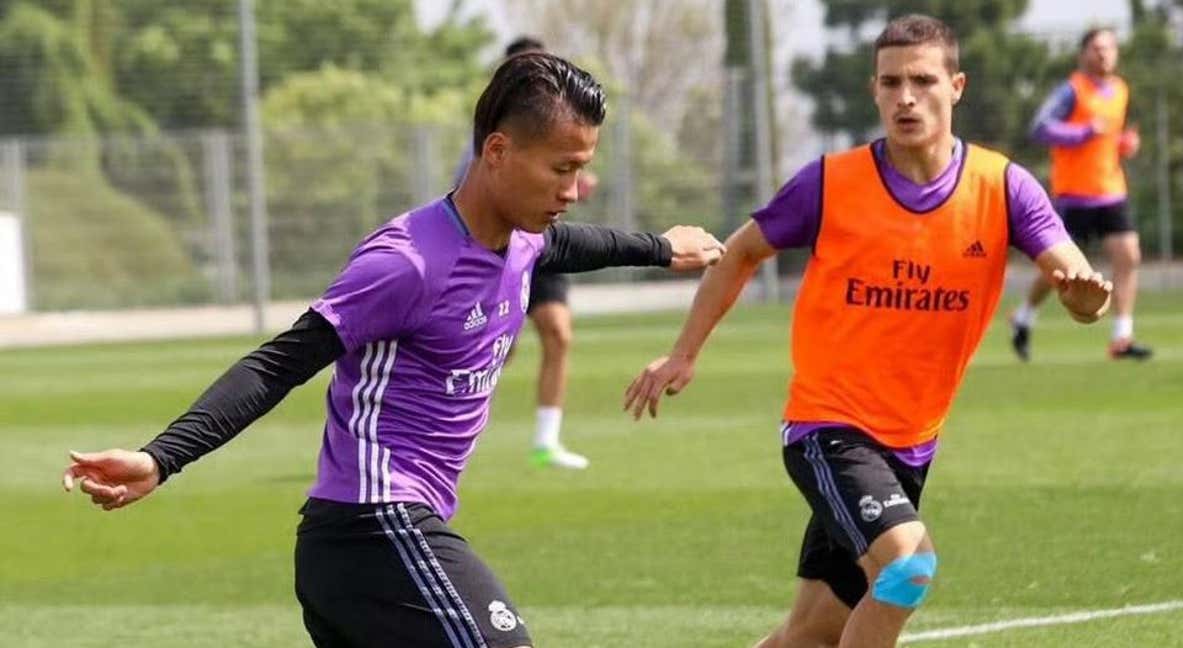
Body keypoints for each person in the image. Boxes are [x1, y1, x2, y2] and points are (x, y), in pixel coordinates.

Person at [62, 52, 724, 648]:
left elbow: (580, 246)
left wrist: (662, 248)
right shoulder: (407, 263)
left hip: (371, 544)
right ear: (497, 152)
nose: (575, 189)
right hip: (372, 528)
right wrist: (161, 457)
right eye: (563, 169)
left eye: (581, 170)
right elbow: (278, 363)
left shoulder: (524, 240)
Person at [624, 15, 1111, 648]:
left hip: (911, 444)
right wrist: (684, 353)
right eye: (891, 82)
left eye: (923, 80)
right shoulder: (829, 184)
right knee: (908, 568)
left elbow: (1076, 284)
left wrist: (1084, 302)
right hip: (828, 431)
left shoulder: (1004, 187)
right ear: (874, 91)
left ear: (956, 86)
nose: (906, 97)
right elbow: (740, 252)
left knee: (813, 632)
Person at [454, 35, 594, 469]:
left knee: (558, 332)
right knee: (495, 350)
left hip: (540, 242)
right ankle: (449, 424)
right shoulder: (490, 141)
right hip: (498, 253)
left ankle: (546, 441)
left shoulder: (559, 122)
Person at [1011, 26, 1149, 361]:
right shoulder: (1071, 90)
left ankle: (1122, 337)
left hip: (1111, 189)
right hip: (1074, 195)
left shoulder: (1120, 89)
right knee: (1057, 271)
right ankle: (1024, 315)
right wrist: (1084, 132)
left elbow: (1109, 136)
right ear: (1083, 54)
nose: (1104, 54)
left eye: (1110, 48)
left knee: (1129, 255)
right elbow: (1040, 128)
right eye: (1096, 48)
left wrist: (1122, 144)